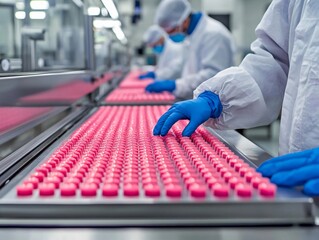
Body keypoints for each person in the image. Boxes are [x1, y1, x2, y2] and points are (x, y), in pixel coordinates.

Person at [153, 0, 319, 196]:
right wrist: (216, 99)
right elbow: (274, 61)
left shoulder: (212, 34)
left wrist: (178, 86)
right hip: (296, 173)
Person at [145, 0, 236, 99]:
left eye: (171, 31)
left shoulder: (213, 34)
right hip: (199, 99)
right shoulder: (191, 36)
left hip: (215, 106)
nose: (169, 36)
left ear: (183, 21)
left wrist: (176, 85)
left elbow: (213, 76)